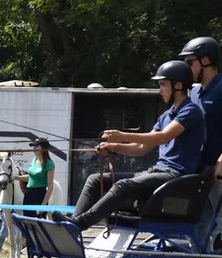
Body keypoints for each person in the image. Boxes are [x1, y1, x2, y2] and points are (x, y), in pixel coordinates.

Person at [51, 61, 205, 231]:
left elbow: (162, 137)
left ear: (178, 85)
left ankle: (81, 223)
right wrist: (114, 146)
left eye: (163, 85)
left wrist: (122, 135)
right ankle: (73, 223)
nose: (160, 90)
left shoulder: (190, 111)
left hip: (175, 177)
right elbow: (141, 148)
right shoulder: (165, 116)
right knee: (95, 180)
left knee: (123, 185)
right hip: (157, 172)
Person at [180, 36, 222, 254]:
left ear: (206, 60)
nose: (187, 67)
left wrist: (220, 163)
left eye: (191, 62)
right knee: (197, 232)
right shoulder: (194, 93)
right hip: (204, 172)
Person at [18, 138, 55, 217]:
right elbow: (31, 177)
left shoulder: (49, 164)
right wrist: (15, 177)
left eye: (36, 146)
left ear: (43, 148)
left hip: (39, 196)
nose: (34, 148)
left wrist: (43, 206)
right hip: (28, 196)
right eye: (33, 146)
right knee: (27, 222)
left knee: (38, 225)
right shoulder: (34, 160)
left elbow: (50, 187)